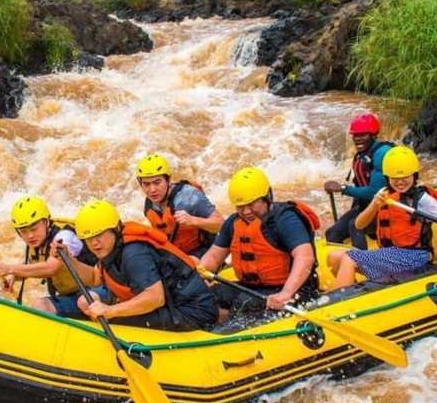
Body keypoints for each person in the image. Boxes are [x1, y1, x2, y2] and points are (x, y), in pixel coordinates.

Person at [55, 199, 219, 331]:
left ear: (116, 228)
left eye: (99, 234)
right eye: (88, 238)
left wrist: (110, 310)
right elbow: (94, 278)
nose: (94, 242)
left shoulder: (134, 254)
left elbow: (155, 297)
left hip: (192, 311)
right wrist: (69, 260)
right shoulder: (110, 248)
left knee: (114, 320)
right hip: (176, 307)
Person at [326, 146, 437, 288]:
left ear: (414, 176)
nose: (400, 182)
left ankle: (342, 304)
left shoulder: (423, 200)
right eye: (394, 178)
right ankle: (354, 295)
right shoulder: (385, 193)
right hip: (390, 254)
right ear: (387, 178)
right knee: (334, 257)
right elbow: (359, 225)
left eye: (405, 177)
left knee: (349, 259)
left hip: (414, 257)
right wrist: (374, 204)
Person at [199, 167, 319, 314]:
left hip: (293, 290)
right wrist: (201, 273)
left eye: (252, 204)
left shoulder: (285, 220)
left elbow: (305, 257)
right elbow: (214, 256)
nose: (246, 211)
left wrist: (285, 293)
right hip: (253, 288)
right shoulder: (233, 223)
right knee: (205, 297)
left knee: (243, 304)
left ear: (267, 196)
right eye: (241, 206)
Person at [0, 195, 106, 317]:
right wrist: (13, 276)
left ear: (47, 222)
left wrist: (9, 269)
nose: (30, 236)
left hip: (98, 291)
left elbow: (51, 267)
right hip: (72, 296)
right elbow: (30, 265)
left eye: (34, 229)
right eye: (23, 232)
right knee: (39, 305)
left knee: (85, 301)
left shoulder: (65, 236)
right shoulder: (34, 244)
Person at [324, 113, 393, 249]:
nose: (358, 139)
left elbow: (375, 191)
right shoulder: (361, 155)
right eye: (355, 135)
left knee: (354, 226)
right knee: (332, 233)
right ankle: (339, 265)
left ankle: (362, 265)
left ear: (373, 135)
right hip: (366, 205)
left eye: (363, 135)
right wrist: (353, 211)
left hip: (386, 206)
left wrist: (343, 189)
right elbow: (359, 185)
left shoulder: (382, 153)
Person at [136, 154, 224, 259]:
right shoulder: (150, 203)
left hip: (204, 249)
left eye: (157, 182)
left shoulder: (189, 196)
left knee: (189, 263)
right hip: (175, 254)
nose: (152, 190)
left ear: (168, 180)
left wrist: (192, 220)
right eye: (146, 184)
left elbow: (221, 224)